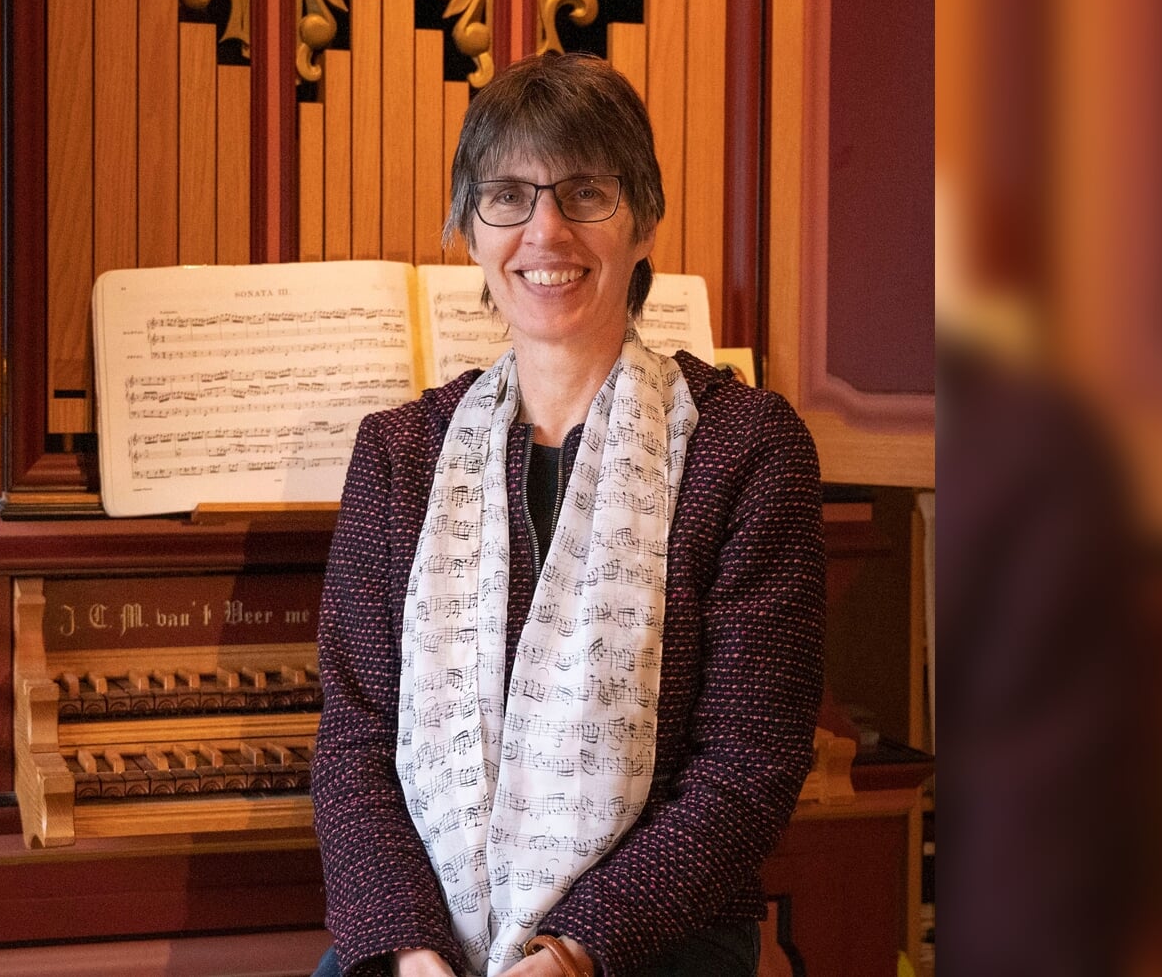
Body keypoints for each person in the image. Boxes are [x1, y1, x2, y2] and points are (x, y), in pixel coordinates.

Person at [310, 52, 826, 977]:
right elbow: (353, 744)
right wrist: (411, 953)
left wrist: (568, 956)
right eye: (507, 195)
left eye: (585, 192)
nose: (545, 230)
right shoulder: (397, 456)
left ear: (645, 219)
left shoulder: (748, 448)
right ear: (469, 231)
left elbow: (746, 770)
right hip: (423, 936)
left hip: (653, 937)